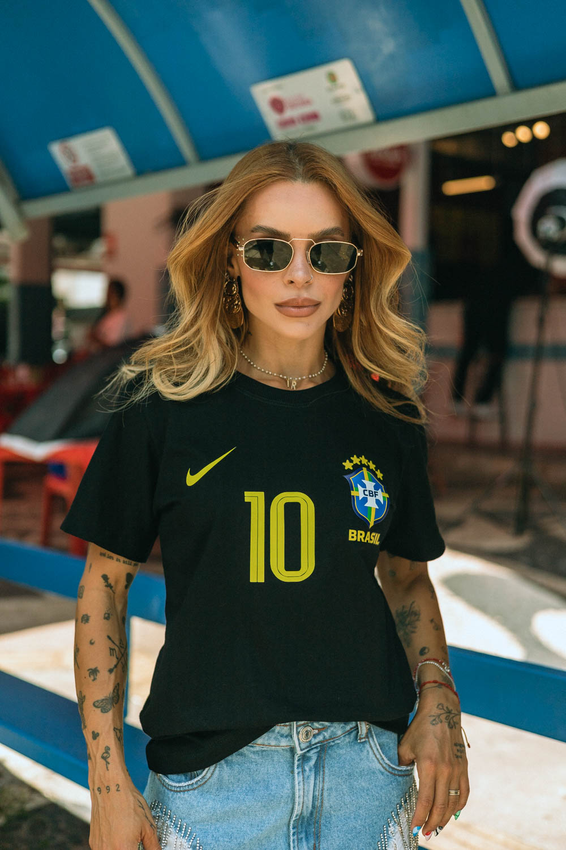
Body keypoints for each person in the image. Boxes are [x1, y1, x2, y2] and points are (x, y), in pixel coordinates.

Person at [61, 140, 469, 850]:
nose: (299, 274)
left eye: (327, 252)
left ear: (353, 266)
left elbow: (406, 578)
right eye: (269, 250)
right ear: (230, 259)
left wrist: (439, 698)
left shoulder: (389, 415)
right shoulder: (161, 404)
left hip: (368, 780)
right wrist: (107, 781)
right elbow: (104, 583)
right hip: (212, 790)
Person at [84, 278, 132, 352]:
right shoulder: (108, 314)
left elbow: (112, 345)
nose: (107, 296)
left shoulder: (121, 318)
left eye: (109, 293)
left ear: (116, 295)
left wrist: (95, 337)